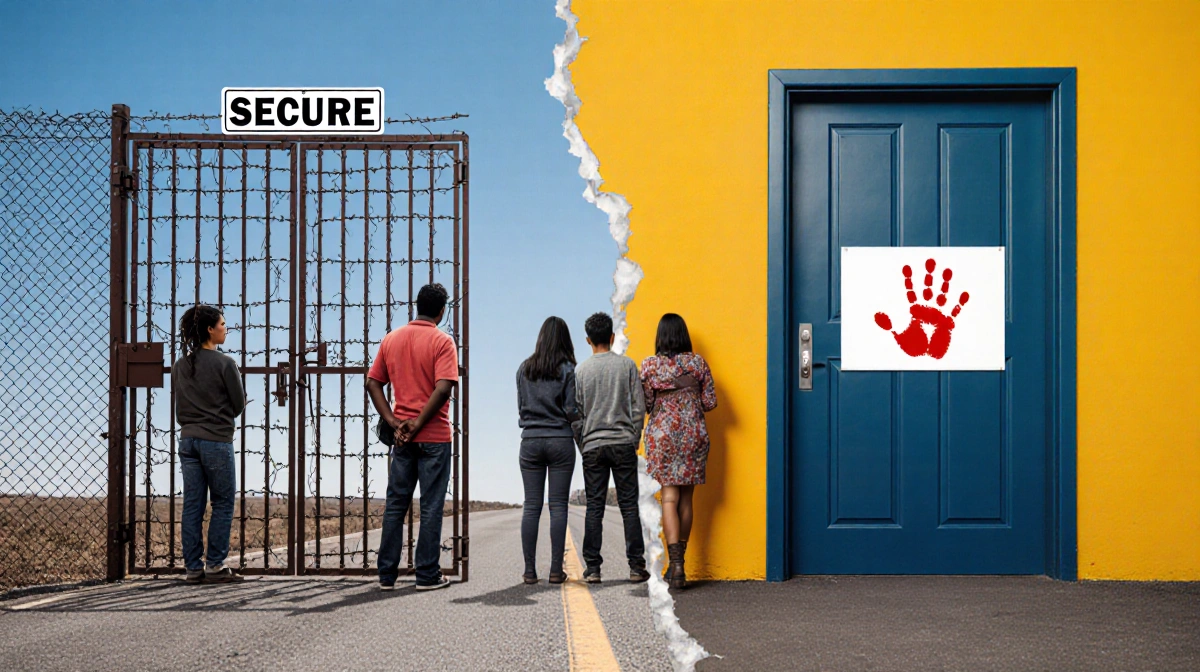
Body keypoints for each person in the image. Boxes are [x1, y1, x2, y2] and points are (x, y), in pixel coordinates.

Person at [367, 283, 459, 592]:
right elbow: (444, 387)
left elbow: (373, 383)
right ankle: (427, 574)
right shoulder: (442, 341)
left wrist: (395, 423)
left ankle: (386, 575)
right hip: (433, 435)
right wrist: (419, 423)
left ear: (416, 305)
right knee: (431, 505)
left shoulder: (392, 339)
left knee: (396, 504)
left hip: (402, 438)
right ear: (442, 310)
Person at [640, 313, 717, 589]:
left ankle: (675, 565)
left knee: (669, 499)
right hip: (693, 435)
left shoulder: (649, 366)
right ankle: (679, 564)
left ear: (660, 337)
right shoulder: (697, 363)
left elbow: (646, 404)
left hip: (663, 437)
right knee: (687, 499)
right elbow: (709, 402)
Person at [574, 312, 650, 583]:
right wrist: (634, 436)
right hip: (622, 442)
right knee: (629, 505)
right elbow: (637, 406)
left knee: (595, 506)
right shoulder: (627, 366)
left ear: (588, 340)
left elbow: (578, 412)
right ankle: (636, 566)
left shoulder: (580, 371)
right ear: (612, 337)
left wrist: (583, 442)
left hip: (593, 444)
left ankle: (593, 569)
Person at [174, 304, 246, 584]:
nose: (225, 329)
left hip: (188, 440)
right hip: (216, 441)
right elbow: (238, 405)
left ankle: (193, 568)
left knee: (192, 505)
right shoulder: (225, 363)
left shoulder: (182, 365)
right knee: (223, 502)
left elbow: (180, 406)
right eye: (222, 324)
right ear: (209, 329)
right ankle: (215, 565)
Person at [515, 317, 581, 585]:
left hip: (530, 440)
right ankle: (556, 570)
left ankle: (530, 571)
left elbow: (521, 406)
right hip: (560, 440)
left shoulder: (523, 369)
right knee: (558, 506)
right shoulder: (568, 369)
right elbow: (571, 410)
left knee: (531, 506)